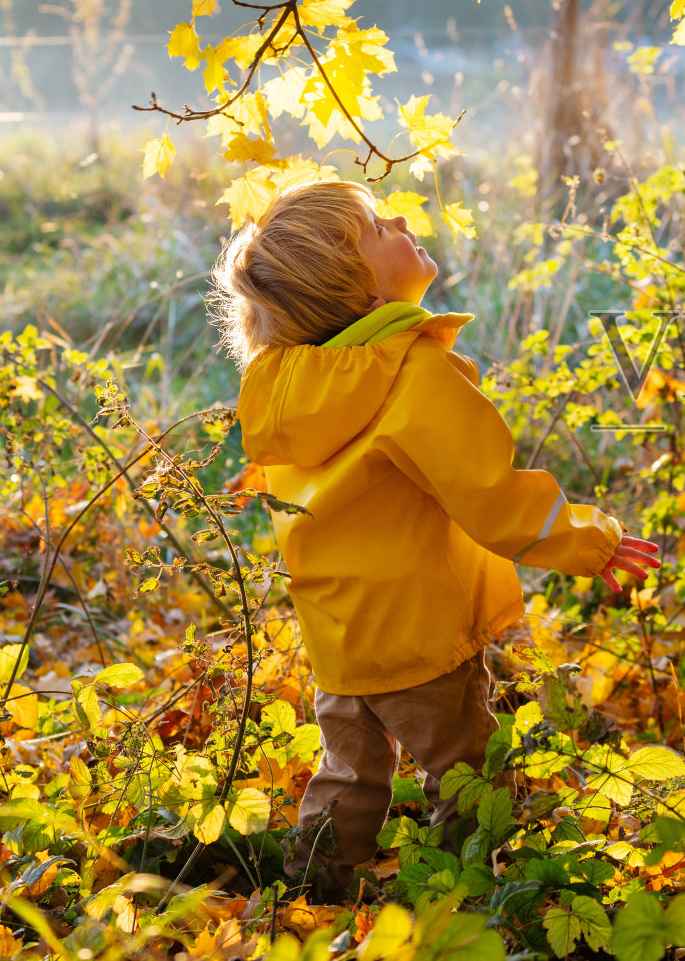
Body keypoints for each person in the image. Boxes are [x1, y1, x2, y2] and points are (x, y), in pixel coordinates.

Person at [208, 179, 659, 893]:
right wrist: (590, 539)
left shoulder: (285, 384)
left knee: (350, 772)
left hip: (339, 631)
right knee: (468, 772)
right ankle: (466, 895)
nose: (399, 217)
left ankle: (308, 895)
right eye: (375, 226)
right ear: (358, 286)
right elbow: (491, 494)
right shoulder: (412, 373)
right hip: (419, 627)